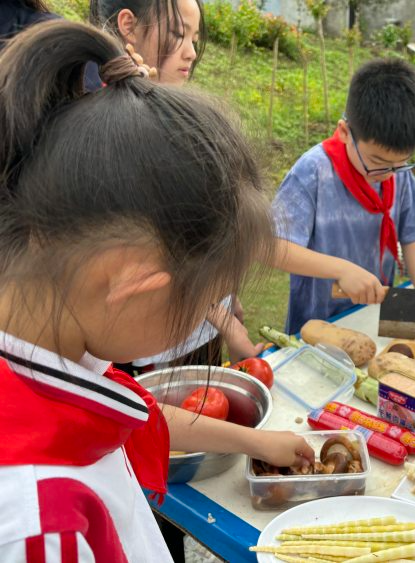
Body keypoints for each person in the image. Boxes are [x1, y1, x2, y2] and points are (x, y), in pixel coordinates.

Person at [0, 21, 313, 560]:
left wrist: (258, 442)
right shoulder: (40, 526)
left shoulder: (53, 360)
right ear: (133, 283)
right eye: (198, 303)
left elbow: (139, 411)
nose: (199, 317)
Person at [91, 0, 266, 369]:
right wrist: (223, 321)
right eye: (178, 34)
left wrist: (225, 301)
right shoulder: (107, 137)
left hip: (196, 333)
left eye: (195, 38)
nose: (190, 52)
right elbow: (159, 260)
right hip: (147, 351)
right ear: (128, 25)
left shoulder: (176, 119)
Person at [273, 58, 415, 334]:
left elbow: (412, 236)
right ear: (345, 132)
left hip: (377, 318)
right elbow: (273, 247)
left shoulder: (398, 174)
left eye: (400, 163)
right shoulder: (313, 173)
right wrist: (342, 270)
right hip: (319, 328)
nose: (389, 173)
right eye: (378, 161)